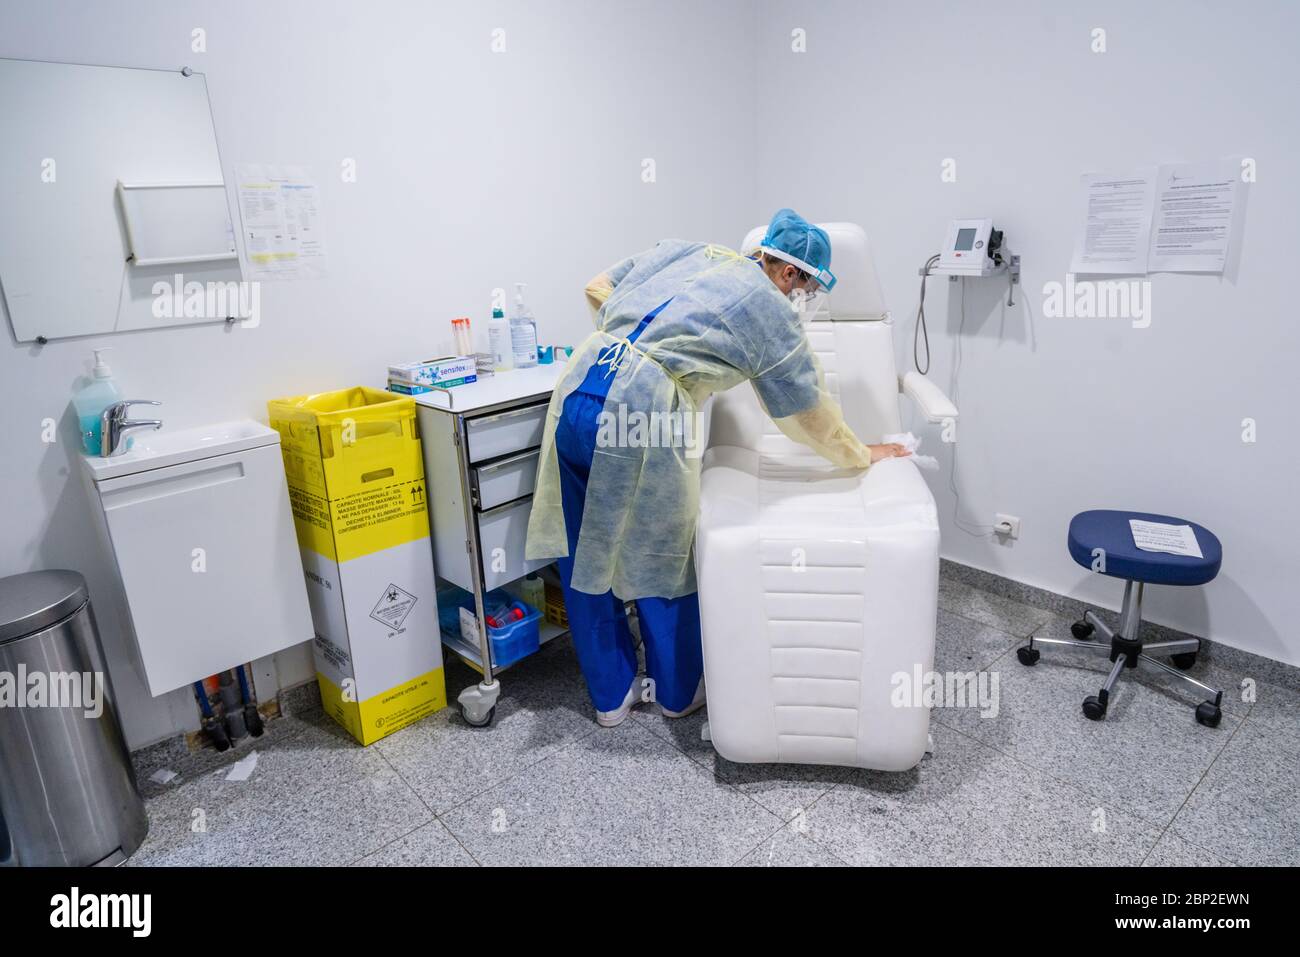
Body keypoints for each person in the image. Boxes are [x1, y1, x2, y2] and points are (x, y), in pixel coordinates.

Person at [525, 209, 909, 727]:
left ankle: (610, 697)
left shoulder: (689, 250)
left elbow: (597, 287)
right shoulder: (768, 311)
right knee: (661, 552)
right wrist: (862, 453)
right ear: (788, 273)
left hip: (577, 390)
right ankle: (677, 693)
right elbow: (807, 413)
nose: (802, 300)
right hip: (642, 413)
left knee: (582, 551)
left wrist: (642, 349)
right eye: (806, 287)